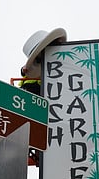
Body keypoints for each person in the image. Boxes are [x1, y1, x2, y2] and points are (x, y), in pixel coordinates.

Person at [20, 28, 67, 165]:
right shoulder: (37, 65)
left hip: (45, 92)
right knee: (36, 120)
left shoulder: (56, 57)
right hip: (33, 92)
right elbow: (24, 71)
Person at [19, 28, 67, 95]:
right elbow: (24, 70)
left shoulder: (55, 59)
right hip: (32, 87)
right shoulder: (36, 65)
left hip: (49, 87)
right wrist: (23, 70)